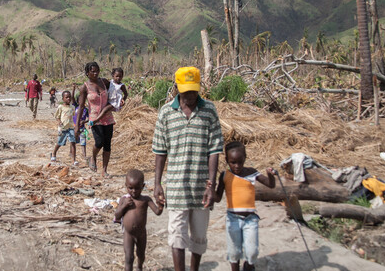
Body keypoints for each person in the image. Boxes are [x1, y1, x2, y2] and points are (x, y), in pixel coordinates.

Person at [152, 66, 223, 271]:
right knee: (177, 234)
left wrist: (212, 184)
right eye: (186, 91)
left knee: (199, 236)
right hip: (176, 184)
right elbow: (160, 150)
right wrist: (157, 183)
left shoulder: (209, 110)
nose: (191, 95)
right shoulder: (166, 112)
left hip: (201, 185)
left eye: (194, 90)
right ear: (177, 87)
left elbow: (214, 149)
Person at [213, 141, 276, 271]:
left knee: (252, 252)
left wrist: (270, 175)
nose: (237, 166)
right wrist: (210, 190)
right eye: (233, 162)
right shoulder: (224, 176)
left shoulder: (252, 173)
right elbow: (218, 198)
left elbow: (271, 185)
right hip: (233, 218)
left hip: (250, 219)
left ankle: (249, 265)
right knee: (234, 251)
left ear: (245, 158)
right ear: (226, 160)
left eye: (240, 162)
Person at [114, 169, 163, 271]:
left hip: (141, 233)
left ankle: (139, 267)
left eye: (137, 188)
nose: (133, 191)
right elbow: (117, 216)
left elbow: (157, 212)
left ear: (143, 186)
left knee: (141, 255)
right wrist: (124, 206)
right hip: (128, 234)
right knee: (129, 257)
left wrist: (161, 205)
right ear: (126, 186)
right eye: (130, 188)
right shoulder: (124, 199)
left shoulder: (145, 200)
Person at [74, 62, 115, 177]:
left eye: (97, 70)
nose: (95, 73)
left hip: (107, 116)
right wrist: (77, 126)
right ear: (87, 73)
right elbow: (81, 106)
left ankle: (104, 170)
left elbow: (115, 91)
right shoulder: (84, 87)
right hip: (94, 118)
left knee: (107, 144)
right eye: (92, 71)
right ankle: (93, 157)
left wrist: (121, 99)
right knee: (99, 141)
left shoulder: (104, 82)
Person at [52, 91, 77, 164]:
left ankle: (74, 159)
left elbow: (73, 116)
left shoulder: (72, 107)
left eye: (70, 97)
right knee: (60, 142)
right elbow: (57, 116)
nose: (68, 98)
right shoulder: (61, 107)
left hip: (71, 128)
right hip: (63, 128)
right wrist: (59, 121)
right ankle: (54, 154)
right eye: (67, 97)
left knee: (73, 142)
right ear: (63, 99)